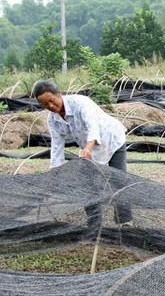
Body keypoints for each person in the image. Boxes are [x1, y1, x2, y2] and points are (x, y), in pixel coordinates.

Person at [32, 78, 131, 225]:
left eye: (52, 101)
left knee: (118, 181)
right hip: (89, 148)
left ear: (59, 94)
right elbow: (57, 145)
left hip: (112, 139)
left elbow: (93, 127)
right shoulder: (53, 120)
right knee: (87, 185)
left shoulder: (81, 103)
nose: (51, 106)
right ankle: (93, 223)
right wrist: (54, 170)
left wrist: (87, 149)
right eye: (45, 105)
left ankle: (125, 221)